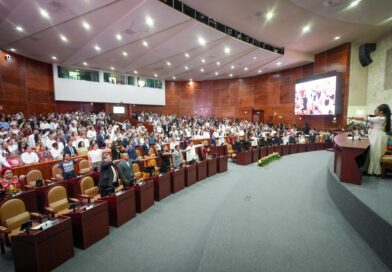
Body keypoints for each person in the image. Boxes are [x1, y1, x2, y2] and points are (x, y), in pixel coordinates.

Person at [365, 104, 391, 175]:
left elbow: (365, 118)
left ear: (381, 112)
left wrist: (351, 117)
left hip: (378, 136)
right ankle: (372, 169)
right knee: (374, 153)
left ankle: (375, 170)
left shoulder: (381, 118)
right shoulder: (381, 118)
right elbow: (371, 125)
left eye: (376, 110)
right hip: (378, 135)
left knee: (375, 153)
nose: (375, 111)